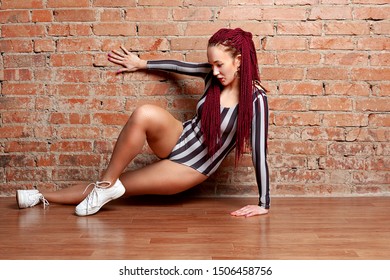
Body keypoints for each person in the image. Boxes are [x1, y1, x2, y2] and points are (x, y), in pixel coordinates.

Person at [16, 28, 270, 218]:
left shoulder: (257, 99)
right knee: (144, 113)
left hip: (192, 166)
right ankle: (104, 186)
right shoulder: (211, 76)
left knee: (121, 184)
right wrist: (141, 63)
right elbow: (178, 66)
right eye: (211, 64)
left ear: (238, 61)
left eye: (219, 64)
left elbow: (260, 152)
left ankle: (40, 196)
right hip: (180, 136)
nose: (214, 71)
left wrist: (263, 203)